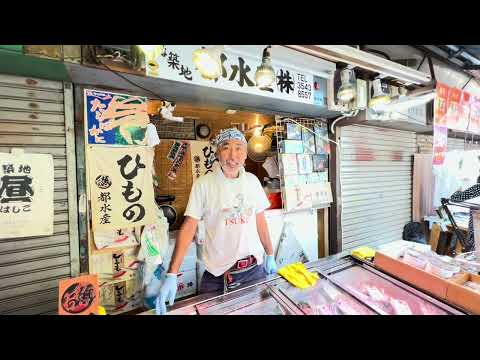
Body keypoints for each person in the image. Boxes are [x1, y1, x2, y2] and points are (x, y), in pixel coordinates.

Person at [155, 127, 277, 315]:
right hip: (218, 276)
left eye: (239, 148)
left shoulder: (253, 181)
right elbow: (189, 228)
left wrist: (270, 253)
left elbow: (260, 221)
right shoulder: (204, 184)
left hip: (255, 271)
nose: (232, 155)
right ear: (217, 153)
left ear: (245, 154)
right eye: (226, 148)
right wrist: (172, 273)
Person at [449, 175, 480, 252]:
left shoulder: (478, 188)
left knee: (475, 255)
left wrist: (460, 189)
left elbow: (454, 198)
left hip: (477, 230)